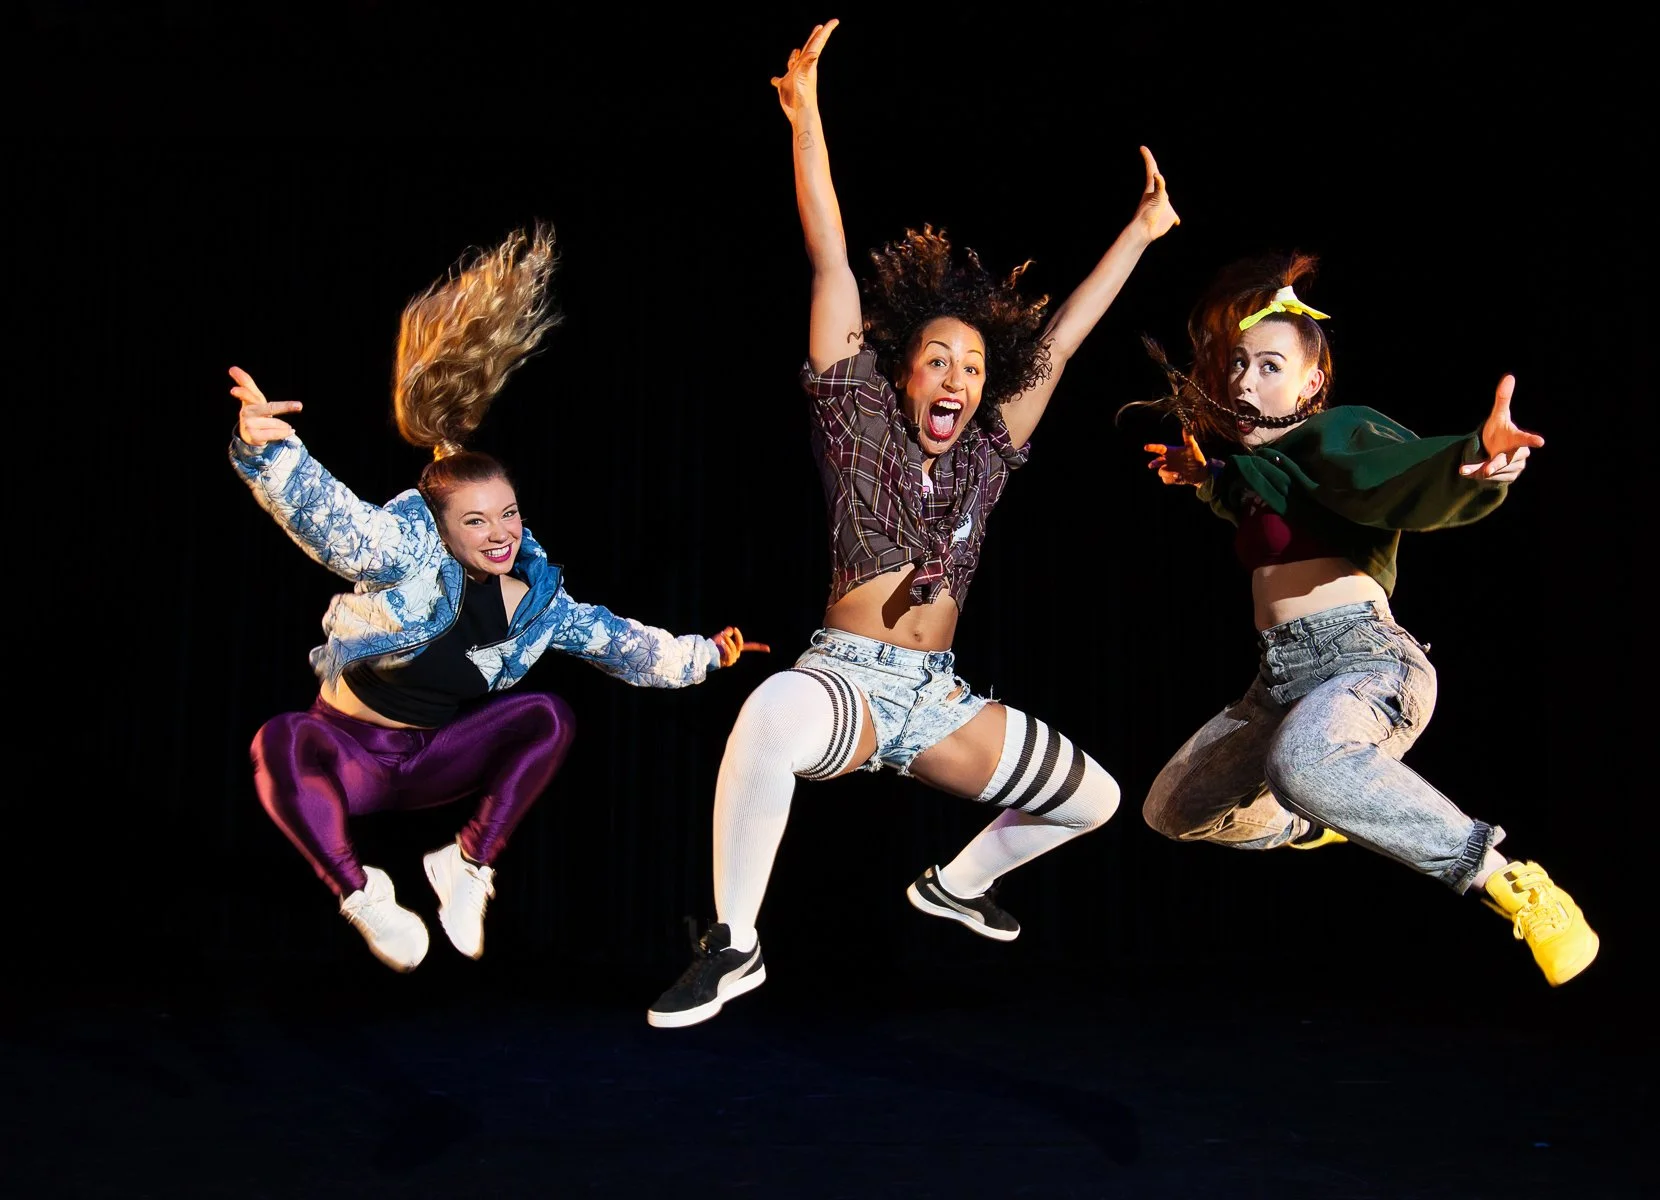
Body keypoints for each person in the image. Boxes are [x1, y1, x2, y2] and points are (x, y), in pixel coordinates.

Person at [645, 18, 1179, 1028]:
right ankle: (735, 943)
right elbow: (832, 262)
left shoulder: (986, 454)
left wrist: (1141, 235)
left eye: (974, 368)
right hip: (847, 678)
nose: (958, 377)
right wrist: (806, 120)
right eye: (939, 358)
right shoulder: (859, 423)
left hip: (937, 702)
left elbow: (1058, 347)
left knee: (1096, 799)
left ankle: (957, 885)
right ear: (901, 370)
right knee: (765, 717)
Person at [230, 225, 767, 972]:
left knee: (550, 715)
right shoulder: (403, 552)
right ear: (443, 529)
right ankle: (362, 896)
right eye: (476, 522)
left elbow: (615, 640)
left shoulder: (538, 603)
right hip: (346, 755)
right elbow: (333, 520)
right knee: (278, 741)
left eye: (508, 514)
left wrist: (704, 655)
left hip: (429, 762)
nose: (499, 534)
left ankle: (468, 866)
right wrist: (267, 449)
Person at [1129, 250, 1598, 986]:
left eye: (1272, 366)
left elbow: (1400, 474)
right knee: (1174, 808)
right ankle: (1316, 816)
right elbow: (1257, 499)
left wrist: (1474, 460)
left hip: (1366, 663)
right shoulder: (1265, 475)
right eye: (1240, 366)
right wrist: (1206, 477)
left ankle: (1507, 879)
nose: (1247, 380)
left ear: (1312, 382)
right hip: (1279, 681)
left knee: (1302, 763)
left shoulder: (1336, 436)